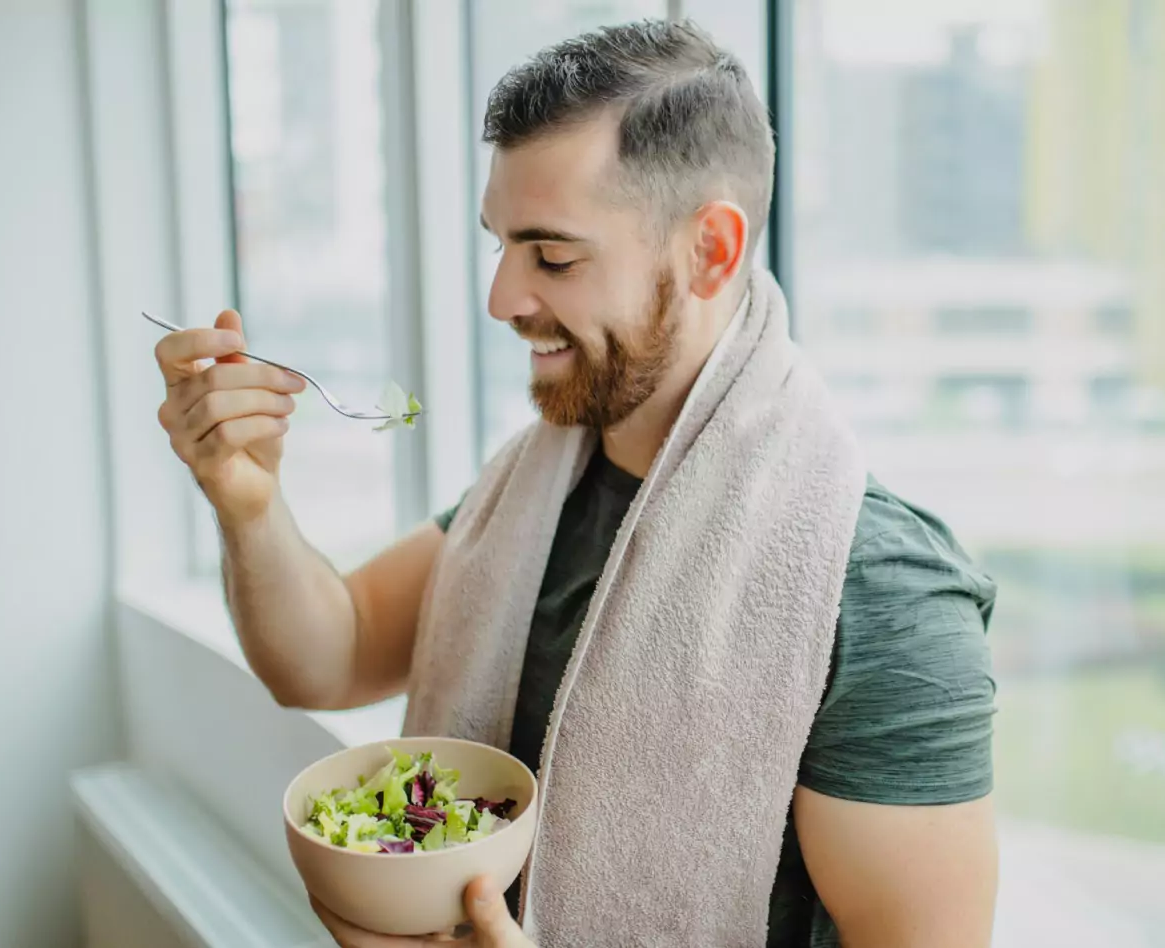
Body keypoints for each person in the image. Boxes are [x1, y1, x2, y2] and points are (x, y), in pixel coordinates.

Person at [152, 19, 997, 948]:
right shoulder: (532, 487)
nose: (503, 299)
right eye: (502, 245)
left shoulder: (880, 594)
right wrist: (249, 503)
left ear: (710, 250)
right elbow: (329, 655)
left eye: (552, 256)